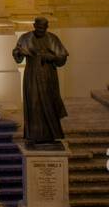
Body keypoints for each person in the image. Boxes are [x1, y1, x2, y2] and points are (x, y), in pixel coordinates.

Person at [12, 18, 69, 146]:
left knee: (50, 102)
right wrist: (17, 52)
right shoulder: (26, 38)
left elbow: (62, 57)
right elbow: (18, 56)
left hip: (48, 74)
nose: (40, 30)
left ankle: (51, 134)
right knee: (33, 103)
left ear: (47, 27)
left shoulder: (52, 38)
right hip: (31, 75)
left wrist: (52, 57)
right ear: (34, 26)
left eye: (43, 28)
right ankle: (34, 134)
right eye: (38, 28)